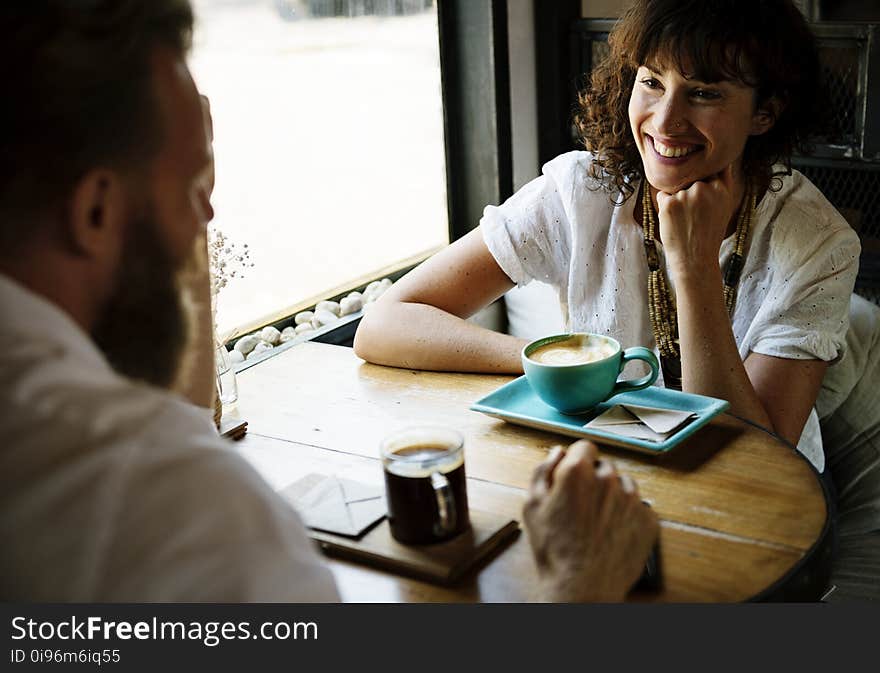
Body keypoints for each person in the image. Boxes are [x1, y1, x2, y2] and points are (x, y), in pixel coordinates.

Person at [0, 0, 657, 602]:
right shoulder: (185, 507)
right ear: (94, 211)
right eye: (194, 188)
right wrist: (578, 584)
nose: (209, 218)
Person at [354, 0, 861, 473]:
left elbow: (755, 460)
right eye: (652, 83)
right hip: (607, 471)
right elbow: (383, 325)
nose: (665, 121)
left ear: (764, 112)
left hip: (766, 504)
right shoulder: (582, 191)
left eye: (704, 92)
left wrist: (694, 266)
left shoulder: (820, 242)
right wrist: (560, 368)